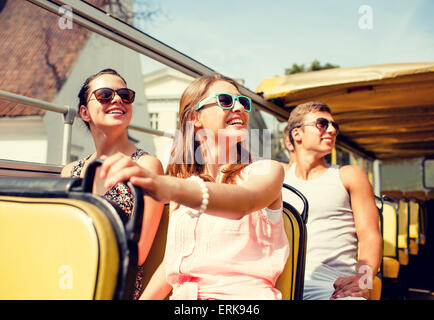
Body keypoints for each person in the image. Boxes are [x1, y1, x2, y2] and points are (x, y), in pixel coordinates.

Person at [99, 74, 289, 300]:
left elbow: (244, 201)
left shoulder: (267, 170)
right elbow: (173, 262)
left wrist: (166, 185)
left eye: (243, 102)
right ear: (194, 117)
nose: (239, 107)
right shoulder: (187, 187)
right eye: (226, 101)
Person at [60, 68, 165, 300]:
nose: (117, 99)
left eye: (125, 95)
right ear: (84, 112)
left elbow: (137, 253)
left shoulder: (146, 166)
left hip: (114, 285)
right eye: (105, 95)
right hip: (68, 277)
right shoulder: (70, 172)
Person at [282, 101, 382, 300]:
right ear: (297, 134)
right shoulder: (276, 175)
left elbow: (370, 236)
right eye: (322, 124)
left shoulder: (349, 175)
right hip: (278, 281)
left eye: (334, 126)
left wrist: (363, 282)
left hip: (331, 286)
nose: (331, 130)